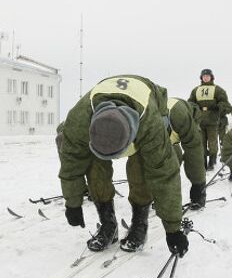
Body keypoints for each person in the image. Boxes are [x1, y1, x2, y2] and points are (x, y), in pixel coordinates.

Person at [59, 75, 189, 256]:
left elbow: (164, 174)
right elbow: (71, 162)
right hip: (103, 120)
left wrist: (173, 229)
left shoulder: (151, 126)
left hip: (144, 105)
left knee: (141, 168)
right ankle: (108, 224)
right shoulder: (79, 119)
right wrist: (72, 203)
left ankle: (139, 224)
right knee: (94, 166)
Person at [188, 69, 232, 171]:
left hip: (213, 121)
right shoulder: (195, 90)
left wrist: (218, 106)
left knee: (212, 143)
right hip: (200, 121)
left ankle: (212, 161)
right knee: (201, 142)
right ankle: (203, 162)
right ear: (201, 78)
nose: (206, 78)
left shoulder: (218, 90)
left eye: (208, 76)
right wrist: (194, 107)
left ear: (211, 77)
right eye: (204, 76)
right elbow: (190, 103)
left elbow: (226, 104)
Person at [167, 98, 207, 209]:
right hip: (162, 136)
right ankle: (165, 198)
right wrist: (199, 186)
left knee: (175, 157)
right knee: (171, 164)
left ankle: (161, 197)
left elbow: (194, 154)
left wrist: (198, 185)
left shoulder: (181, 114)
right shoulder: (182, 115)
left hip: (166, 137)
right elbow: (195, 154)